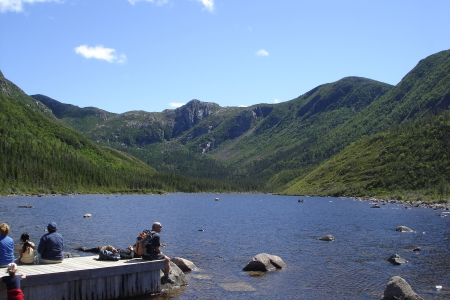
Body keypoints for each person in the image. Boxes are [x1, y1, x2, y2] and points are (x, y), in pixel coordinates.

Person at [74, 245, 141, 259]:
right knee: (101, 248)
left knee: (101, 249)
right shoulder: (133, 250)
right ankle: (85, 250)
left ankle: (85, 250)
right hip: (115, 250)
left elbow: (130, 257)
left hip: (115, 253)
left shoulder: (132, 253)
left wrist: (132, 250)